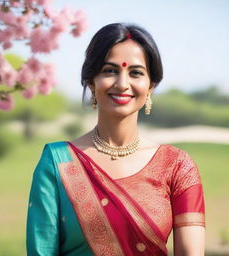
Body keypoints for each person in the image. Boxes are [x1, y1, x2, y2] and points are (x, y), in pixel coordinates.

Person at [26, 23, 205, 256]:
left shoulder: (177, 166)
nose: (122, 83)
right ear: (91, 82)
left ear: (150, 86)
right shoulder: (57, 161)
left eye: (136, 72)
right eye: (110, 70)